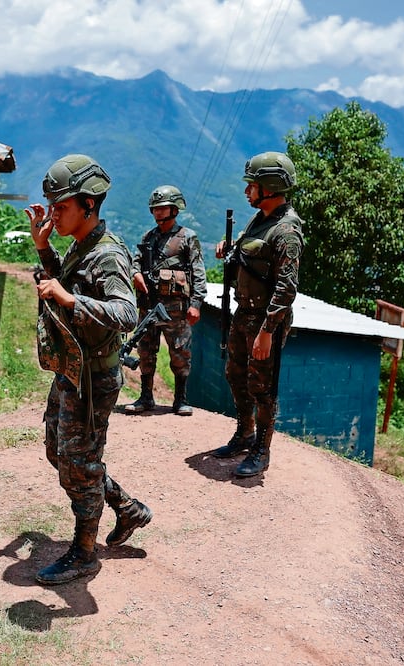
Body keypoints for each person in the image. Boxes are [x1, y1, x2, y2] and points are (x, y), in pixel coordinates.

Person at [24, 154, 153, 585]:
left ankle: (84, 552)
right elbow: (64, 282)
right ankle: (127, 508)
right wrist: (44, 249)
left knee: (79, 461)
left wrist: (68, 299)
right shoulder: (81, 244)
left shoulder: (109, 255)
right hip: (72, 371)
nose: (53, 214)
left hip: (94, 379)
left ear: (89, 205)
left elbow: (126, 312)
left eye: (61, 207)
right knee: (61, 454)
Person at [209, 151, 304, 477]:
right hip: (243, 314)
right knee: (236, 376)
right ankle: (244, 433)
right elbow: (251, 255)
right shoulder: (261, 221)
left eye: (253, 185)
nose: (248, 191)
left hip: (266, 322)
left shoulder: (286, 231)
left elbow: (286, 289)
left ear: (271, 186)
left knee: (262, 387)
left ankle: (261, 450)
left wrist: (267, 332)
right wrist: (229, 249)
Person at [121, 185, 207, 416]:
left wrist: (196, 304)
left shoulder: (188, 238)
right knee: (146, 351)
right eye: (155, 209)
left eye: (162, 208)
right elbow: (135, 262)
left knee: (180, 354)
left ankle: (180, 400)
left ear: (174, 209)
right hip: (149, 307)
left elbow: (198, 272)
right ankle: (146, 397)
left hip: (176, 310)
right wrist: (135, 274)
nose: (157, 213)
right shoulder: (148, 238)